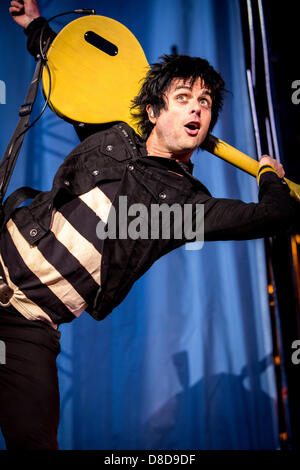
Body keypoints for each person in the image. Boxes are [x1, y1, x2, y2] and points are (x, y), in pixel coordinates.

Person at [0, 0, 297, 450]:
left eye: (205, 103)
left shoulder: (185, 208)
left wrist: (268, 174)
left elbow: (275, 215)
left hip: (28, 325)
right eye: (183, 98)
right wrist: (35, 26)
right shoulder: (110, 136)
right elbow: (77, 72)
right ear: (155, 111)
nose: (196, 109)